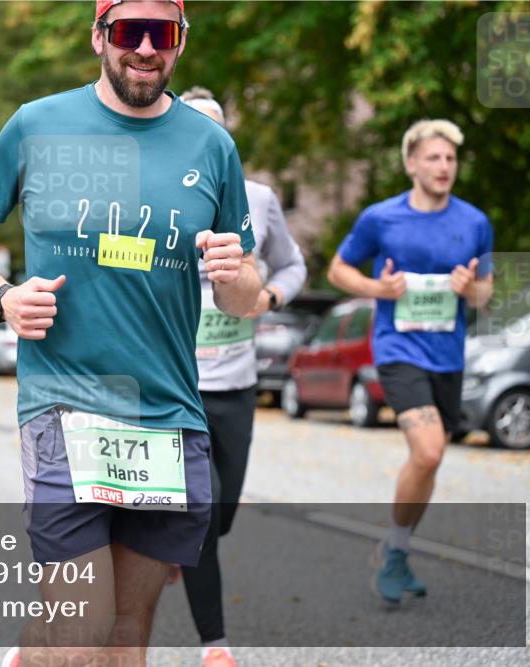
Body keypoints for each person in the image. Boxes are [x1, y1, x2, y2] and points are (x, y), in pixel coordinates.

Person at [0, 2, 261, 664]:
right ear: (98, 37)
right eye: (127, 31)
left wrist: (234, 274)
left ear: (180, 42)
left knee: (125, 635)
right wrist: (1, 296)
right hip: (64, 406)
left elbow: (244, 295)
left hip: (167, 416)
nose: (144, 48)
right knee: (82, 633)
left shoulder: (211, 146)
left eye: (161, 33)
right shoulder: (38, 125)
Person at [327, 119, 493, 604]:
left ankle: (396, 551)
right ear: (411, 164)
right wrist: (377, 288)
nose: (444, 166)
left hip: (448, 355)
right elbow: (338, 269)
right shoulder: (381, 218)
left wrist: (471, 288)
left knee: (429, 459)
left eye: (451, 158)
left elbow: (485, 293)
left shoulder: (475, 222)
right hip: (398, 349)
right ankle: (396, 553)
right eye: (434, 157)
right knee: (429, 451)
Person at [171, 87, 308, 667]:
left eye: (216, 133)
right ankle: (215, 646)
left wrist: (268, 296)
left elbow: (294, 264)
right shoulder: (159, 197)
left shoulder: (257, 198)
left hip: (236, 386)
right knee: (203, 511)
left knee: (220, 517)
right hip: (177, 388)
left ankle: (179, 544)